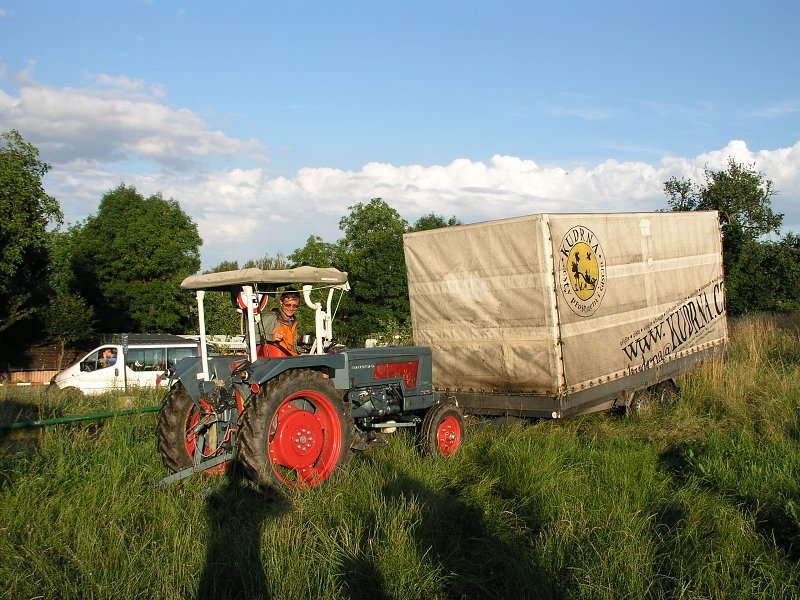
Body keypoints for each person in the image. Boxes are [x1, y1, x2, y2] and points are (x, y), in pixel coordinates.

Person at [258, 291, 301, 356]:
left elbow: (292, 348)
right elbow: (249, 337)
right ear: (281, 303)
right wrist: (271, 337)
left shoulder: (294, 322)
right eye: (288, 305)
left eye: (295, 306)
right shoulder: (271, 318)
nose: (291, 308)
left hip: (291, 359)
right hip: (275, 361)